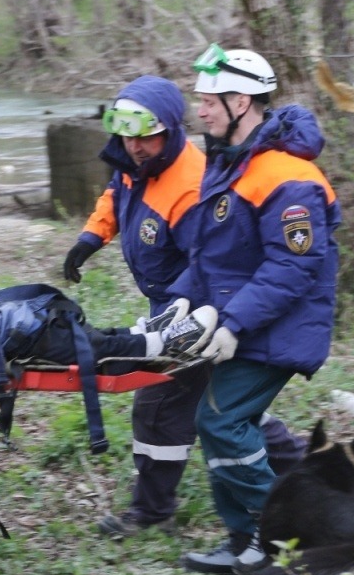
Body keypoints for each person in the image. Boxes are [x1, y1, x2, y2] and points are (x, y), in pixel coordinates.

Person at [62, 77, 307, 540]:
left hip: (202, 309)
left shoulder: (192, 187)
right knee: (224, 407)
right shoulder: (135, 161)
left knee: (160, 404)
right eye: (127, 136)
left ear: (171, 130)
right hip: (168, 301)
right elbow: (118, 194)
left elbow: (215, 264)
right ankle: (308, 463)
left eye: (144, 137)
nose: (134, 147)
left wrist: (187, 324)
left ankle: (154, 510)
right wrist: (91, 238)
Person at [167, 44, 340, 575]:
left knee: (220, 420)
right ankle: (249, 541)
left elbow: (293, 266)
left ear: (242, 102)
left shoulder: (289, 178)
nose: (201, 110)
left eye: (209, 101)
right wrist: (179, 299)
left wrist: (234, 322)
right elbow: (214, 254)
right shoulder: (231, 165)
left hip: (275, 327)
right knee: (220, 422)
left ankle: (290, 544)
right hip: (245, 322)